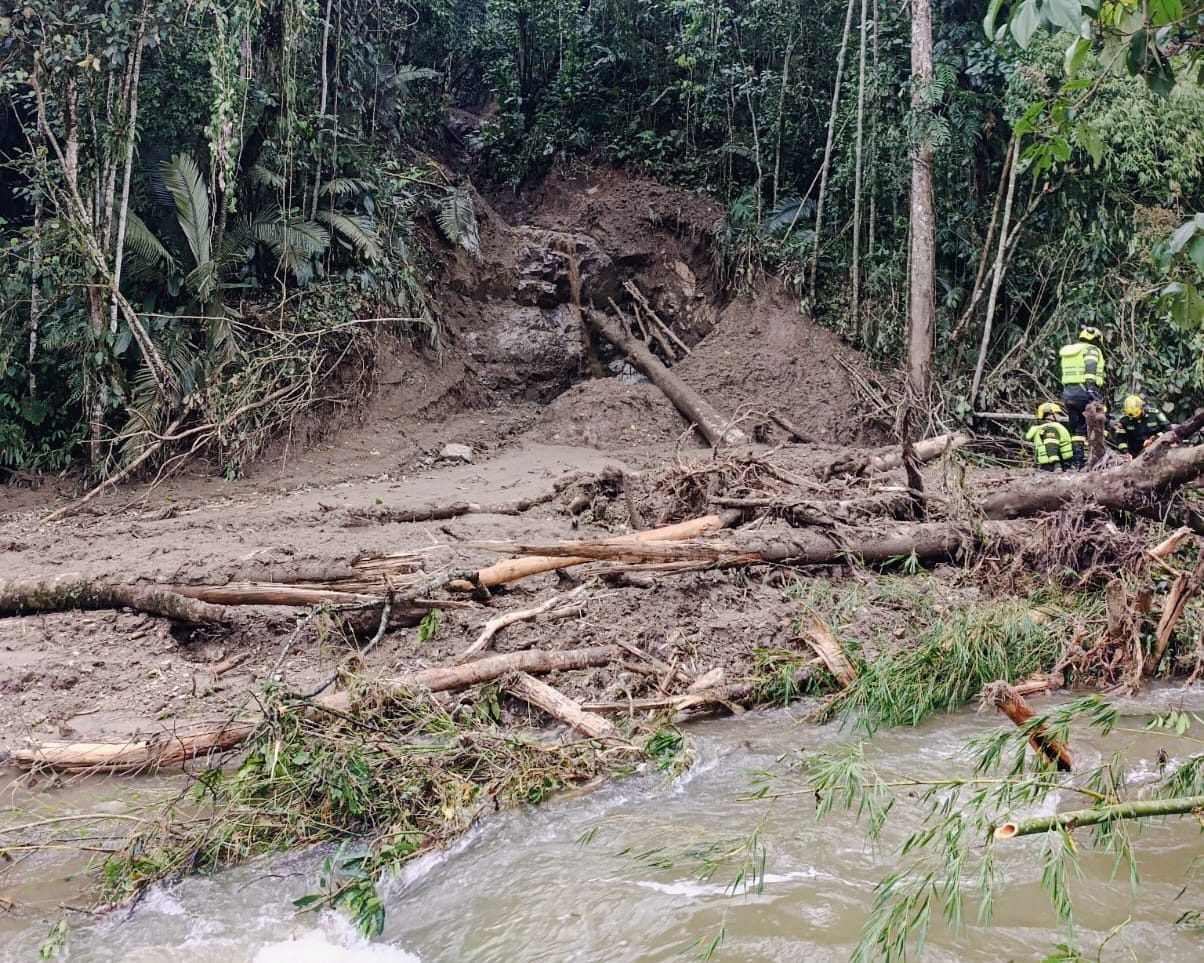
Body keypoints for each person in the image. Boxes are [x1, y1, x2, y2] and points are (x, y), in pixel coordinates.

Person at [1058, 326, 1106, 469]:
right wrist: (1091, 389)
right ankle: (1097, 459)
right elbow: (1090, 367)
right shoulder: (1091, 350)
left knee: (1077, 428)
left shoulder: (1068, 351)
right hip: (1085, 390)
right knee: (1098, 422)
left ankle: (1078, 462)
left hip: (1068, 393)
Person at [1025, 402, 1073, 471]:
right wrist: (1057, 465)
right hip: (1052, 465)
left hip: (1051, 464)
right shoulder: (1050, 429)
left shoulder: (1045, 427)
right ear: (1049, 415)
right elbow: (1051, 447)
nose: (1059, 416)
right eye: (1057, 413)